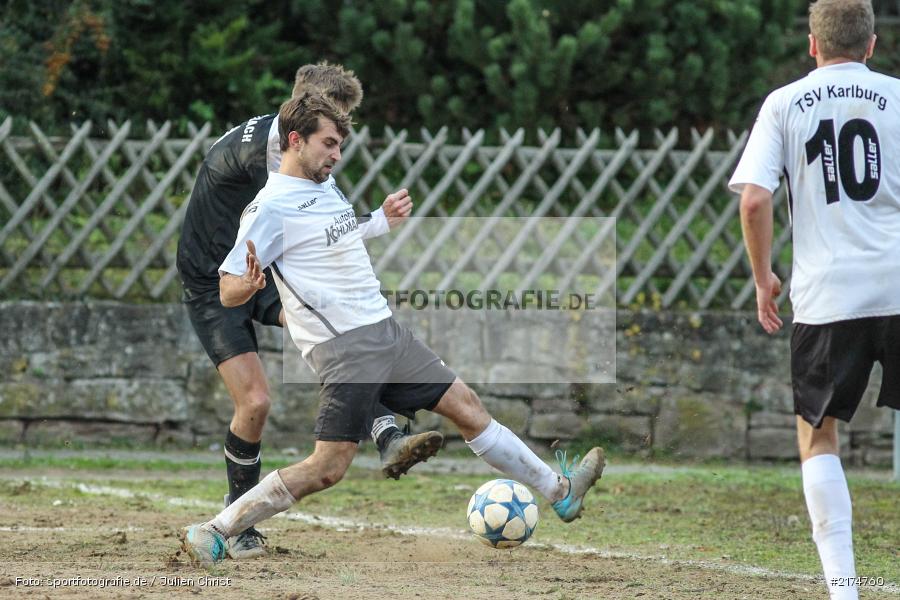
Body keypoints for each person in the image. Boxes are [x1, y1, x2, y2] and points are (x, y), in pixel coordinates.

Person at [178, 93, 606, 565]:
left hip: (385, 331)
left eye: (340, 144)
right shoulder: (269, 208)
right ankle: (217, 530)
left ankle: (560, 492)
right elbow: (226, 291)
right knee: (328, 468)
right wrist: (249, 284)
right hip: (346, 349)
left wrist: (379, 221)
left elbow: (335, 237)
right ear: (295, 141)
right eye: (329, 143)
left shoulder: (325, 185)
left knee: (467, 406)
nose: (336, 154)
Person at [175, 63, 444, 560]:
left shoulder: (295, 151)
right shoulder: (271, 161)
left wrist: (375, 225)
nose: (338, 142)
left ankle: (384, 427)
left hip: (267, 268)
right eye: (332, 125)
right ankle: (238, 519)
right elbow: (304, 233)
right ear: (302, 114)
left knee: (326, 322)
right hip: (220, 278)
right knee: (254, 403)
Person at [730, 2, 900, 598]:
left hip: (828, 296)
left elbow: (754, 200)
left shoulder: (784, 103)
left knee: (817, 433)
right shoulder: (898, 98)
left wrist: (762, 278)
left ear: (812, 45)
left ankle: (845, 588)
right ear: (873, 44)